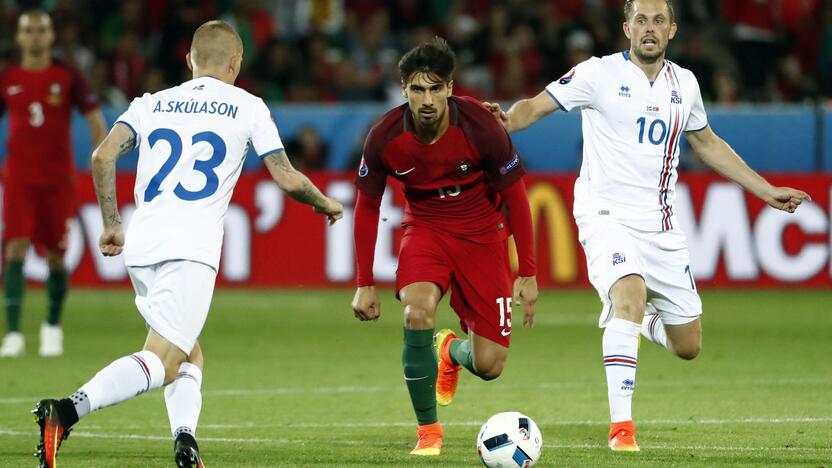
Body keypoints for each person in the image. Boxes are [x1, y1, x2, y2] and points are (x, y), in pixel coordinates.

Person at [484, 0, 811, 452]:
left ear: (673, 30)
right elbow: (535, 107)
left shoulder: (687, 84)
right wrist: (506, 120)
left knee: (688, 345)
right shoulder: (597, 74)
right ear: (626, 28)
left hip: (660, 225)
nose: (649, 28)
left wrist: (764, 189)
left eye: (659, 20)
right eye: (641, 20)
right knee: (630, 292)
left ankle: (630, 320)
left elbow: (707, 142)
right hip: (604, 213)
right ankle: (622, 428)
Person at [32, 20, 343, 468]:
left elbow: (102, 155)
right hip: (192, 246)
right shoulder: (249, 106)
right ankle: (64, 411)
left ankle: (185, 442)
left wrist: (112, 223)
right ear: (236, 63)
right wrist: (324, 202)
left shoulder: (151, 103)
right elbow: (287, 177)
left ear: (189, 62)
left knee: (186, 349)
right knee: (162, 358)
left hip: (144, 242)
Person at [351, 37, 538, 457]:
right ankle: (428, 432)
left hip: (483, 234)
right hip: (427, 228)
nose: (428, 99)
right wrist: (364, 282)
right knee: (416, 312)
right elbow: (366, 207)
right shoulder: (384, 136)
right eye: (418, 89)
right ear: (404, 90)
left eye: (436, 88)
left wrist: (527, 270)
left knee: (490, 365)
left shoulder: (481, 126)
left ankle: (450, 350)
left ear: (451, 88)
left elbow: (516, 196)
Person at [0, 10, 106, 358]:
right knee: (14, 247)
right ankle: (13, 333)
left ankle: (52, 326)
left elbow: (94, 117)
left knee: (57, 257)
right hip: (18, 178)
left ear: (50, 37)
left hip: (58, 181)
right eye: (28, 31)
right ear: (19, 38)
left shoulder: (67, 75)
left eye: (40, 30)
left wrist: (101, 157)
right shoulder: (8, 76)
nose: (34, 36)